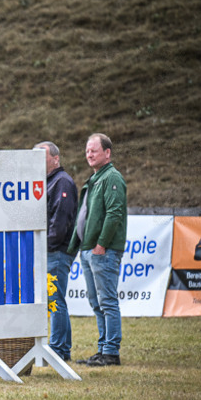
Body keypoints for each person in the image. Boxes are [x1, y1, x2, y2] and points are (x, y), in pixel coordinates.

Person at [68, 133, 128, 367]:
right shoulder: (95, 178)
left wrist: (101, 245)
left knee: (107, 302)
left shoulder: (112, 177)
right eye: (87, 151)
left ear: (107, 153)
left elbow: (114, 213)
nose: (89, 154)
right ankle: (103, 349)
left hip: (102, 251)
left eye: (94, 150)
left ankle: (111, 352)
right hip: (89, 250)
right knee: (96, 302)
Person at [35, 141, 78, 362]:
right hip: (52, 249)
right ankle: (62, 349)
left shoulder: (61, 182)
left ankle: (58, 349)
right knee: (55, 299)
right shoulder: (48, 182)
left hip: (56, 250)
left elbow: (60, 221)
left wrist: (46, 246)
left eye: (41, 158)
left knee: (55, 300)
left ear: (55, 159)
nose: (37, 163)